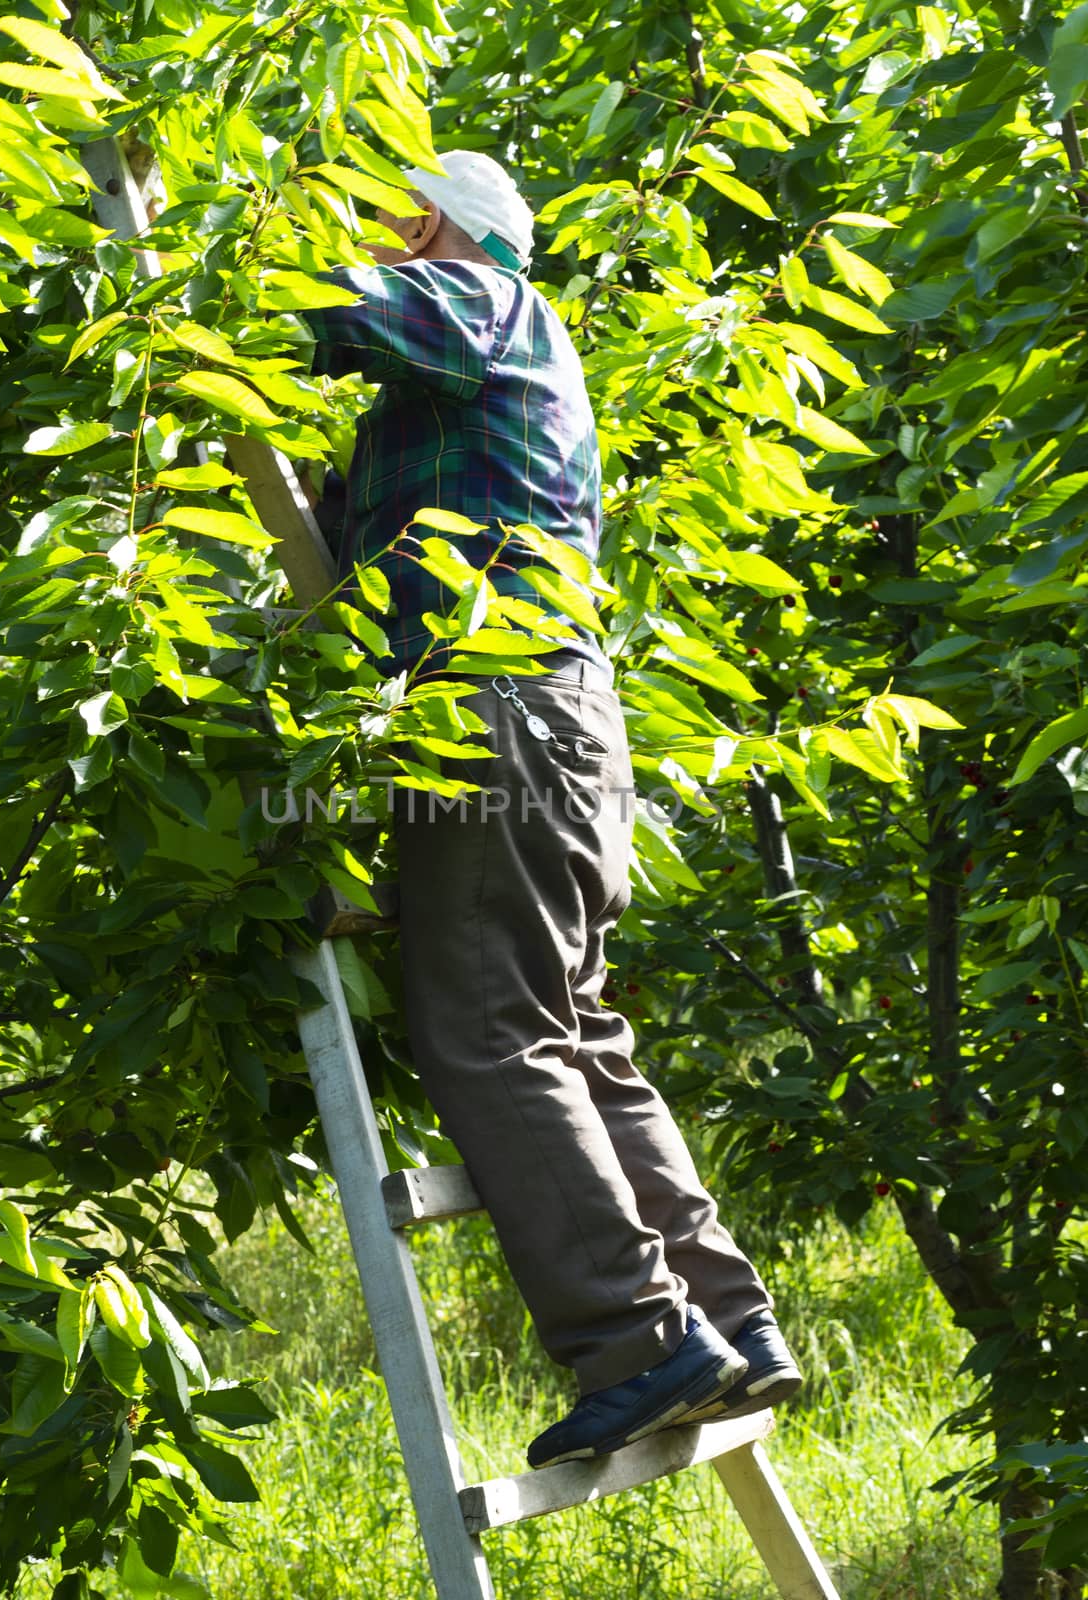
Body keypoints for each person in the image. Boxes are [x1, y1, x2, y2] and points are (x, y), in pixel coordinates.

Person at [296, 150, 801, 1470]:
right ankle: (734, 1324)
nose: (378, 242)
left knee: (490, 1036)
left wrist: (199, 270)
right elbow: (350, 512)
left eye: (389, 224)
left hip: (495, 713)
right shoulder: (493, 369)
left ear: (430, 228)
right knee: (577, 1028)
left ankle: (641, 1340)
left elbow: (307, 301)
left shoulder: (477, 305)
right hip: (569, 721)